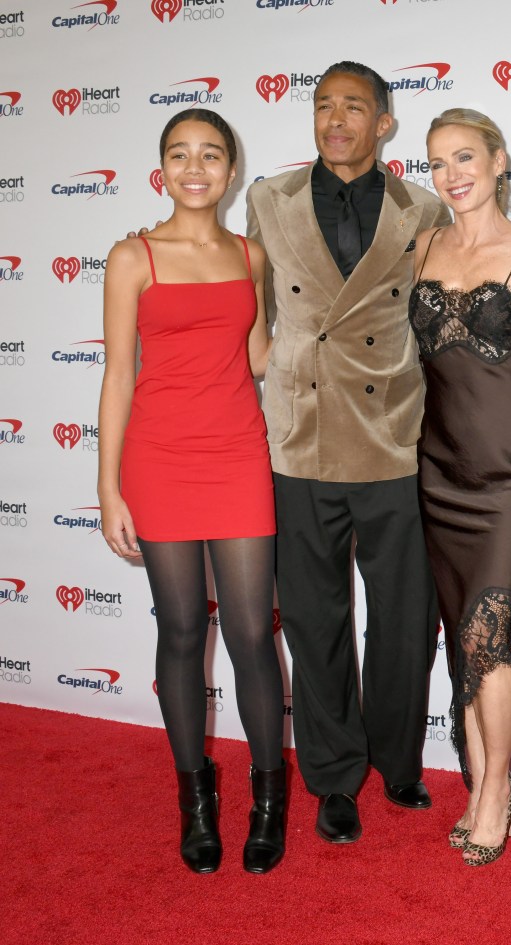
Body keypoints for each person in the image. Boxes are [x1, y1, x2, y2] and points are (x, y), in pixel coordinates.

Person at [245, 61, 450, 844]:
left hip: (394, 436)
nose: (336, 119)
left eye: (354, 106)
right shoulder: (269, 199)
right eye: (324, 105)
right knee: (313, 616)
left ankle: (397, 761)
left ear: (384, 123)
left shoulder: (423, 209)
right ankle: (334, 777)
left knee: (404, 618)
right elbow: (240, 285)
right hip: (300, 438)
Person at [98, 108, 286, 875]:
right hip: (159, 458)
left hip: (238, 454)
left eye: (211, 154)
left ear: (232, 170)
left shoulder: (251, 255)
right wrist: (108, 487)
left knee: (249, 635)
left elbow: (259, 356)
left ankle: (269, 801)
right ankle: (196, 802)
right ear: (162, 168)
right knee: (180, 630)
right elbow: (118, 373)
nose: (196, 166)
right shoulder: (132, 256)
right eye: (180, 154)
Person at [409, 108, 511, 866]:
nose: (451, 175)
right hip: (437, 468)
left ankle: (496, 789)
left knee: (489, 634)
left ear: (500, 161)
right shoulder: (424, 245)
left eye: (465, 157)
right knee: (459, 638)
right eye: (436, 163)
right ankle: (478, 782)